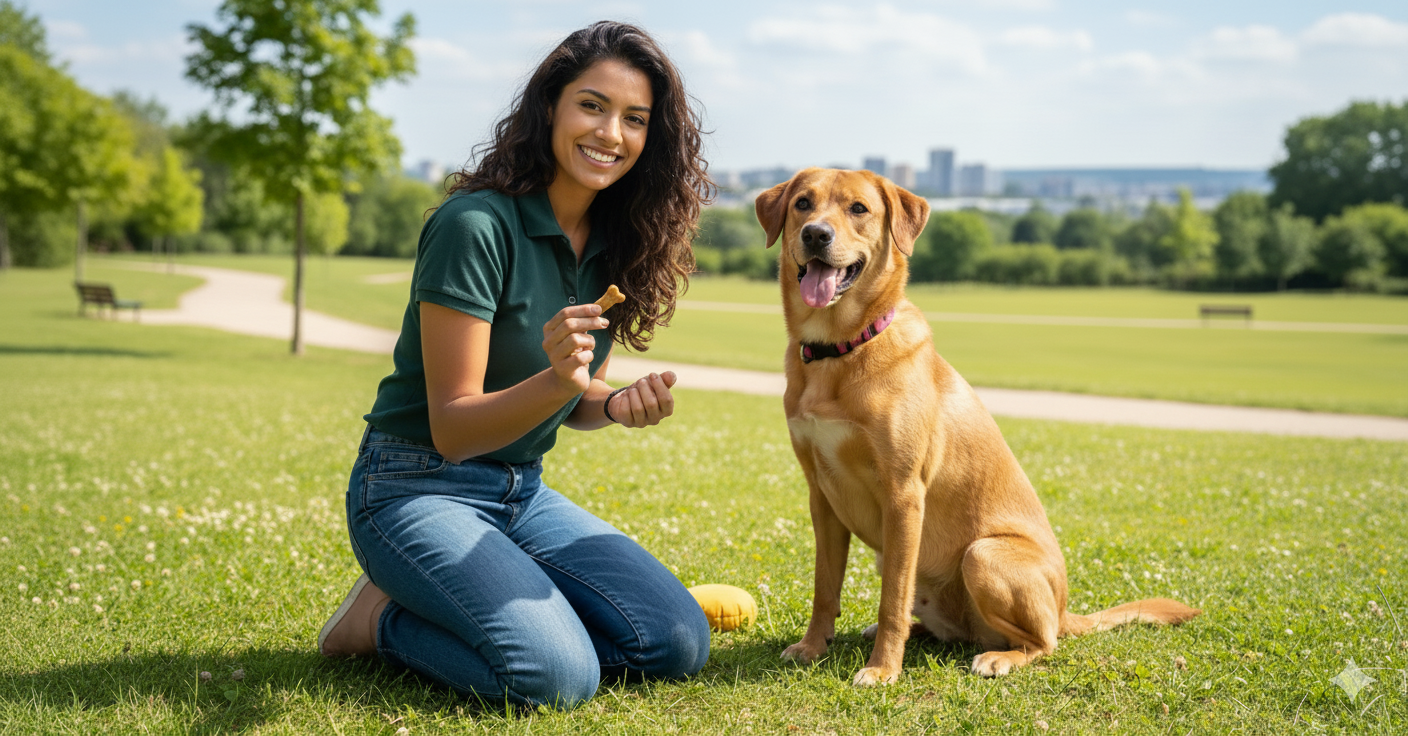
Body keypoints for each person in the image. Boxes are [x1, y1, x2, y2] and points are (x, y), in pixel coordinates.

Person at [316, 21, 713, 709]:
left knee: (675, 641)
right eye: (592, 105)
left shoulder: (619, 245)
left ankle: (495, 598)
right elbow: (456, 429)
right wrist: (558, 379)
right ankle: (376, 619)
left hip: (517, 492)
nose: (610, 133)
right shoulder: (476, 226)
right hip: (413, 489)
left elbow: (573, 391)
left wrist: (610, 402)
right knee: (557, 677)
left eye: (635, 119)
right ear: (551, 107)